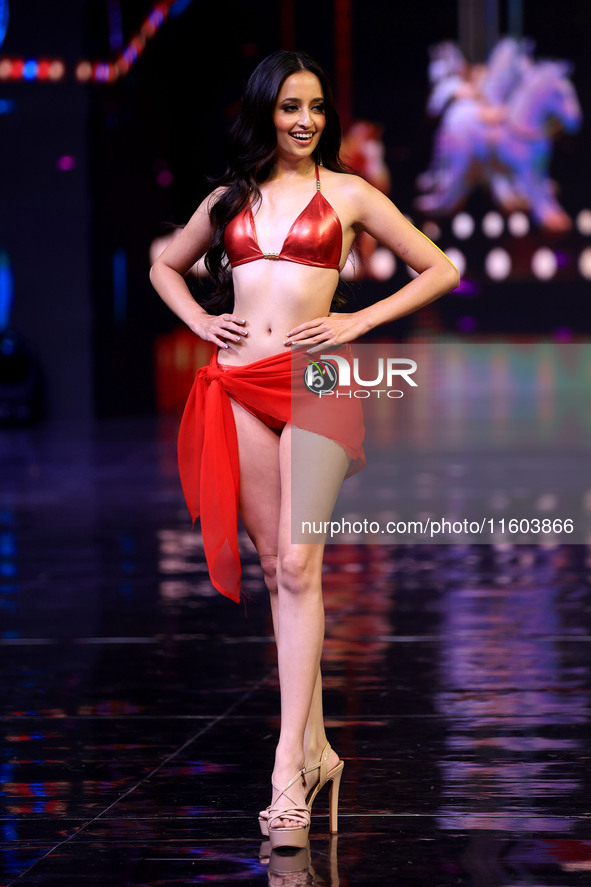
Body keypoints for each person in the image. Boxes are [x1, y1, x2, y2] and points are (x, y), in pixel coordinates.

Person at [150, 50, 459, 850]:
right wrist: (194, 319)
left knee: (298, 565)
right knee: (279, 574)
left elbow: (440, 266)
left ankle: (288, 762)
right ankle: (316, 747)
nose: (305, 121)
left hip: (317, 377)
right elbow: (164, 263)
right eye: (291, 106)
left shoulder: (349, 193)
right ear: (266, 110)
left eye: (316, 107)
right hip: (238, 382)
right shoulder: (231, 198)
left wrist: (356, 323)